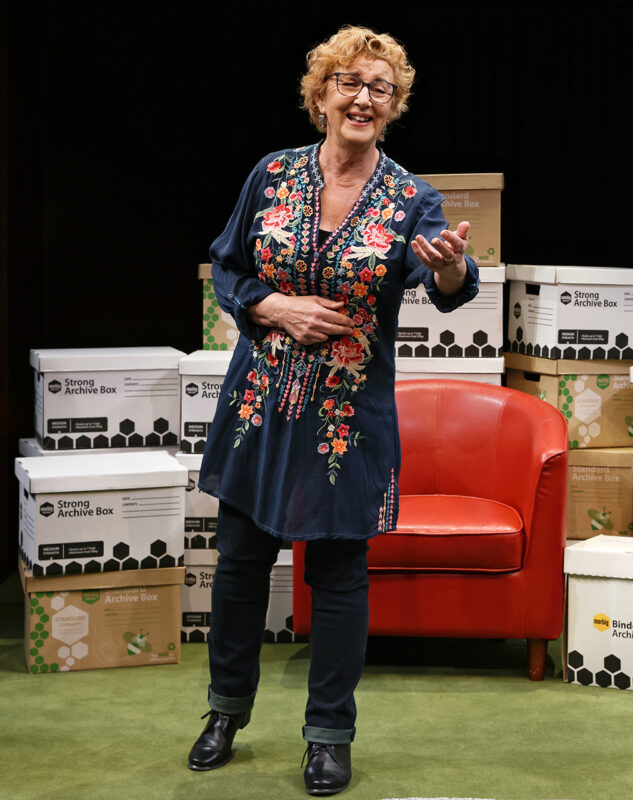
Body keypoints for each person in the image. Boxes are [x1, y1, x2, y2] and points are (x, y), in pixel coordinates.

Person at [187, 25, 479, 796]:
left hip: (347, 418)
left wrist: (448, 270)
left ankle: (327, 735)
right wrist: (274, 304)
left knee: (342, 576)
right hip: (261, 407)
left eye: (380, 87)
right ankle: (225, 711)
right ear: (320, 96)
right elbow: (228, 266)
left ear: (393, 106)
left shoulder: (411, 198)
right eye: (349, 81)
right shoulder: (271, 174)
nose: (363, 97)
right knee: (242, 569)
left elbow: (455, 283)